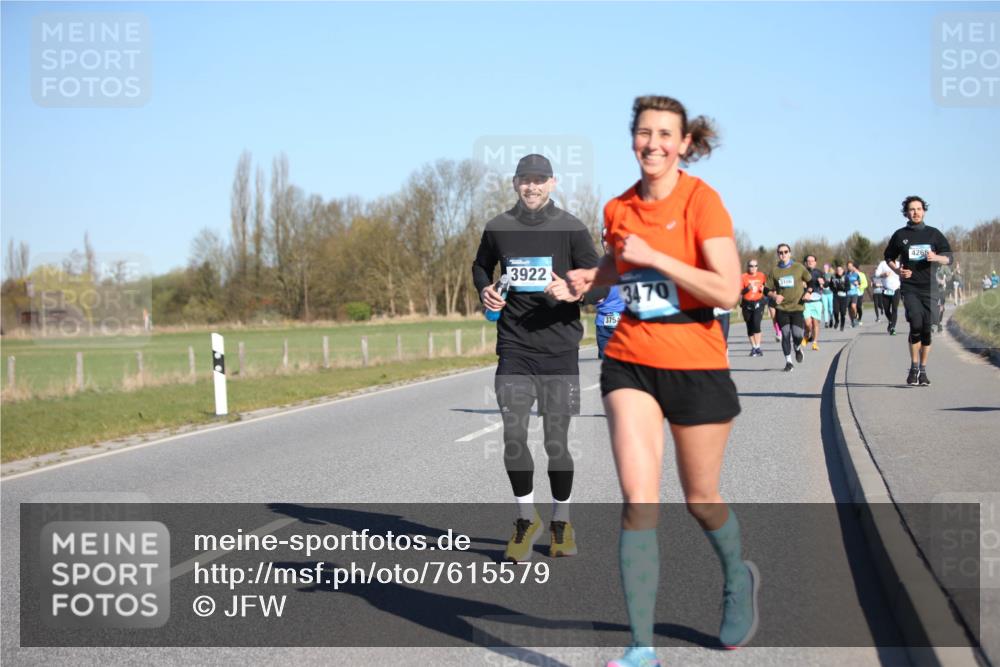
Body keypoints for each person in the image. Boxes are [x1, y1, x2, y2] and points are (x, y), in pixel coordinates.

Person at [565, 95, 758, 667]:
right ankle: (641, 647)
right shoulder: (617, 207)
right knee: (638, 500)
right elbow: (623, 262)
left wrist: (659, 257)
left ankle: (736, 578)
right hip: (630, 359)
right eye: (643, 133)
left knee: (701, 499)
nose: (653, 143)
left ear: (684, 144)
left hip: (697, 363)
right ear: (633, 139)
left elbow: (726, 290)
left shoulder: (703, 202)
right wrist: (592, 277)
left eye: (664, 134)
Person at [472, 153, 605, 561]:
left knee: (555, 442)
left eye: (539, 180)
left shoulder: (571, 228)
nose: (531, 187)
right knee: (513, 437)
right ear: (514, 183)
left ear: (553, 183)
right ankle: (525, 518)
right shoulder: (498, 227)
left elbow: (599, 281)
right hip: (514, 348)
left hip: (560, 350)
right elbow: (480, 266)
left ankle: (561, 521)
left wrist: (574, 290)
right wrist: (485, 290)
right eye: (524, 180)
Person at [883, 195, 952, 386]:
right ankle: (913, 368)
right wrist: (898, 270)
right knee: (915, 322)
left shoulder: (934, 234)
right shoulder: (900, 235)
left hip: (930, 288)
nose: (916, 212)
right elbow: (888, 256)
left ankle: (923, 369)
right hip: (910, 286)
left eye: (919, 209)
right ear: (906, 213)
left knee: (927, 329)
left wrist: (936, 257)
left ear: (924, 211)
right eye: (912, 209)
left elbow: (949, 258)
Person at [766, 244, 812, 371]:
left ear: (790, 253)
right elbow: (766, 289)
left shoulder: (798, 267)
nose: (783, 254)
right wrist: (774, 297)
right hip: (782, 309)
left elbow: (810, 281)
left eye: (786, 252)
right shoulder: (774, 271)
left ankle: (797, 348)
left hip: (797, 307)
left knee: (797, 335)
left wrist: (808, 292)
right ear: (778, 255)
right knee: (785, 334)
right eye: (780, 252)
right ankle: (788, 362)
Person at [596, 234, 626, 359]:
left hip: (627, 323)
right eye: (605, 240)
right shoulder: (595, 266)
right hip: (603, 323)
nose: (608, 243)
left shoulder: (630, 265)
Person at [740, 259, 767, 356]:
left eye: (755, 266)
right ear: (748, 267)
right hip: (746, 304)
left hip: (758, 303)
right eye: (751, 266)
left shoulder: (761, 275)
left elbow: (764, 287)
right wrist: (748, 288)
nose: (753, 268)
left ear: (757, 267)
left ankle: (758, 347)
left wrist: (762, 290)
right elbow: (740, 292)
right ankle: (754, 347)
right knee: (750, 326)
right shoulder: (743, 277)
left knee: (756, 324)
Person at [801, 254, 825, 351]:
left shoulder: (819, 272)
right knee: (807, 324)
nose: (810, 262)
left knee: (815, 323)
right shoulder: (802, 272)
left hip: (816, 301)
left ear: (815, 262)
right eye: (808, 261)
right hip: (806, 301)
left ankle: (815, 342)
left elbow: (827, 283)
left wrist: (823, 282)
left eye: (812, 261)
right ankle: (807, 336)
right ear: (806, 263)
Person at [874, 257, 901, 335]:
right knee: (886, 310)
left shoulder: (899, 264)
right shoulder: (883, 264)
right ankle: (890, 321)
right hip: (885, 290)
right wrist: (883, 274)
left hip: (896, 289)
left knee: (895, 309)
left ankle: (892, 327)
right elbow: (876, 274)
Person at [830, 265, 851, 331]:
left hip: (844, 297)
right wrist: (834, 290)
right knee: (835, 311)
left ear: (843, 270)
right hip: (836, 296)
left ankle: (842, 326)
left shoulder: (846, 277)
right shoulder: (833, 277)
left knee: (843, 312)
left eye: (840, 270)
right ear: (836, 271)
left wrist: (844, 289)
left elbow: (848, 287)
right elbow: (830, 286)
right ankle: (837, 321)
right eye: (837, 270)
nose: (839, 271)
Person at [845, 261, 862, 327]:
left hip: (854, 293)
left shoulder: (856, 274)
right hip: (847, 293)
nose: (849, 267)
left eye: (851, 266)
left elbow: (859, 282)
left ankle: (855, 317)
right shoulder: (845, 274)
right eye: (848, 266)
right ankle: (852, 321)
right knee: (849, 309)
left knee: (853, 306)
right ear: (847, 267)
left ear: (853, 267)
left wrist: (857, 283)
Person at [821, 262, 835, 328]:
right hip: (823, 294)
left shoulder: (831, 275)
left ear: (828, 268)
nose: (825, 269)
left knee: (830, 308)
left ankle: (831, 319)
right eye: (824, 268)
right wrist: (821, 286)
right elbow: (819, 283)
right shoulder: (821, 275)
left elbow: (834, 283)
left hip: (830, 293)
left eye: (826, 267)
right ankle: (826, 322)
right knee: (825, 308)